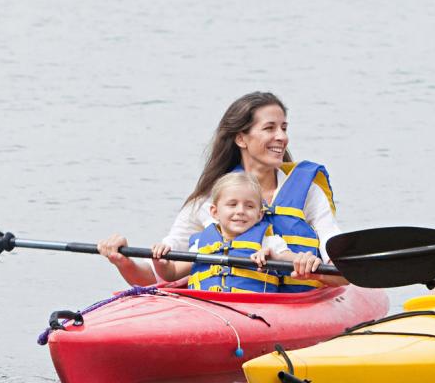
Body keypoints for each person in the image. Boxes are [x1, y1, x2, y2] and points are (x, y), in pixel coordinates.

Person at [99, 91, 341, 289]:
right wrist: (122, 261)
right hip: (227, 307)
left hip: (302, 302)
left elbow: (336, 260)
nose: (282, 137)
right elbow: (156, 275)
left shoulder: (307, 191)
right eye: (270, 128)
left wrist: (315, 268)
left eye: (284, 128)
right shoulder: (208, 200)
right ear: (241, 139)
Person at [147, 171, 287, 291]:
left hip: (252, 311)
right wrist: (160, 262)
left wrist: (276, 257)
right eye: (232, 205)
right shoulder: (201, 244)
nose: (240, 211)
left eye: (249, 206)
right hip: (207, 309)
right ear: (214, 212)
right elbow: (172, 273)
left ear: (259, 215)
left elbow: (292, 260)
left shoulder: (269, 242)